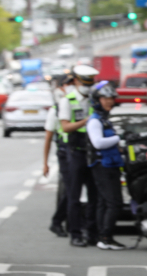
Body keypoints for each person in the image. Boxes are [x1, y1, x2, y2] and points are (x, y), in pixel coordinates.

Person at [59, 65, 99, 247]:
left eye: (90, 83)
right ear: (76, 81)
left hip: (93, 150)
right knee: (74, 197)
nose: (87, 86)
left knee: (94, 196)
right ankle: (75, 234)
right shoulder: (67, 101)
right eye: (84, 82)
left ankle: (92, 233)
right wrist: (86, 121)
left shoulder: (94, 99)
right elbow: (65, 127)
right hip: (75, 152)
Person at [87, 82, 125, 250]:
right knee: (114, 203)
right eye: (105, 98)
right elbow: (98, 143)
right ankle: (106, 237)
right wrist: (119, 139)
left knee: (104, 202)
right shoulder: (95, 121)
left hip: (111, 165)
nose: (109, 101)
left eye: (111, 98)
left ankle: (102, 236)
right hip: (102, 166)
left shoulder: (105, 120)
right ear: (97, 100)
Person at [42, 74, 75, 237]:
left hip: (78, 152)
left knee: (74, 191)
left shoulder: (78, 106)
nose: (69, 87)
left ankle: (66, 223)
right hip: (64, 154)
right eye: (67, 85)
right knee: (71, 190)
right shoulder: (55, 110)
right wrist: (45, 163)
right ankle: (58, 222)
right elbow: (48, 138)